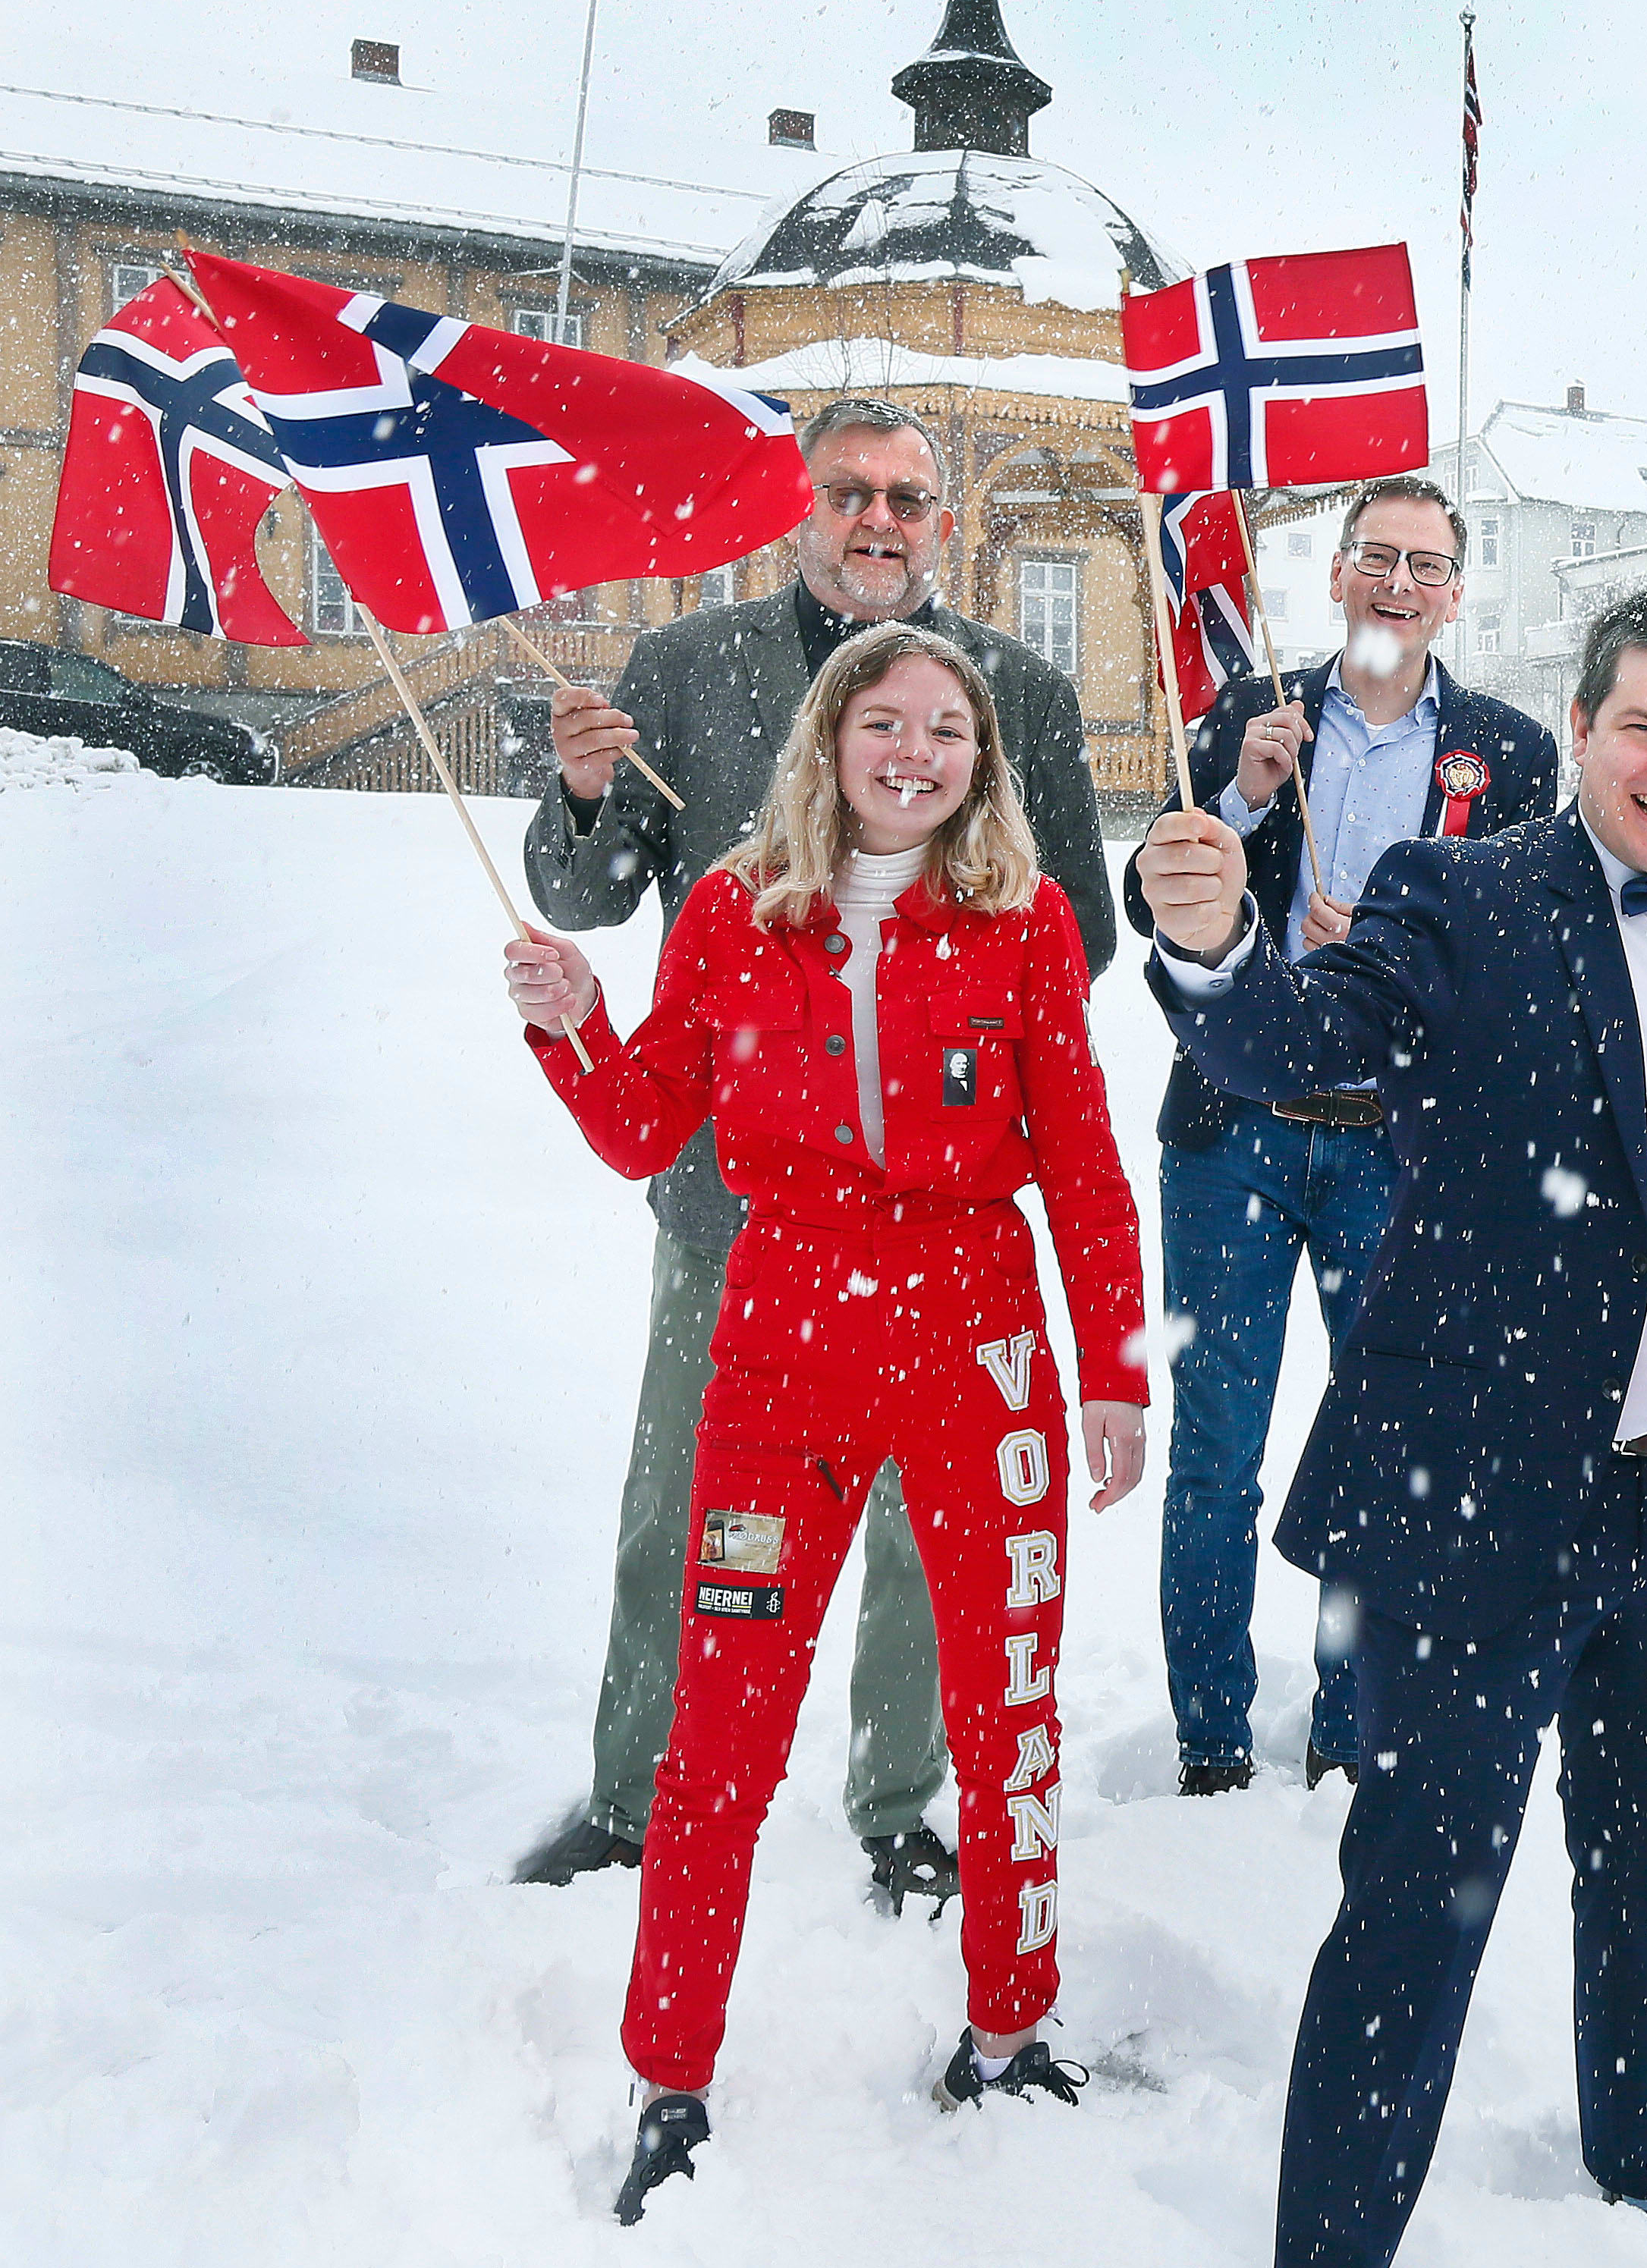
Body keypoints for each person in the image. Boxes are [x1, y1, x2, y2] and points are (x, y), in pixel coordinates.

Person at [1136, 582, 1647, 2268]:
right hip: (1478, 1511)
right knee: (1414, 1907)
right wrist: (1216, 949)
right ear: (1580, 728)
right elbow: (1302, 1038)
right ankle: (1336, 2245)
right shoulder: (1463, 894)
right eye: (1641, 725)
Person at [500, 624, 1148, 2224]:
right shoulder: (734, 911)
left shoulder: (1024, 920)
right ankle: (670, 2078)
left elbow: (1081, 1162)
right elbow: (648, 1123)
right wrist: (573, 1021)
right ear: (829, 739)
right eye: (884, 722)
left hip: (980, 1344)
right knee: (721, 1731)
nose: (914, 751)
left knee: (1006, 1714)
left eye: (947, 729)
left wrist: (1116, 1370)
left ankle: (1010, 2031)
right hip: (785, 1345)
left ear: (980, 762)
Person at [514, 394, 1117, 1905]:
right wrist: (582, 794)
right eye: (849, 493)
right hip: (733, 1202)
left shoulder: (1019, 695)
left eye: (906, 499)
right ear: (805, 508)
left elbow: (1078, 938)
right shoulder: (688, 668)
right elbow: (588, 896)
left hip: (936, 1228)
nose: (878, 522)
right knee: (685, 1514)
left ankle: (897, 1801)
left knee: (922, 1535)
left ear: (943, 523)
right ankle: (638, 1794)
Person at [1120, 474, 1559, 1798]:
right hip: (1234, 1136)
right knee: (1218, 1452)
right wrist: (1244, 800)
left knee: (1382, 1448)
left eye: (1427, 564)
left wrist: (1396, 960)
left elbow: (1523, 958)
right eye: (1378, 556)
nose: (1399, 583)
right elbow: (1150, 904)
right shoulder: (1249, 717)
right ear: (1336, 572)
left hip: (1395, 1147)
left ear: (1456, 594)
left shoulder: (1511, 753)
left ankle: (1346, 1732)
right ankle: (1209, 1743)